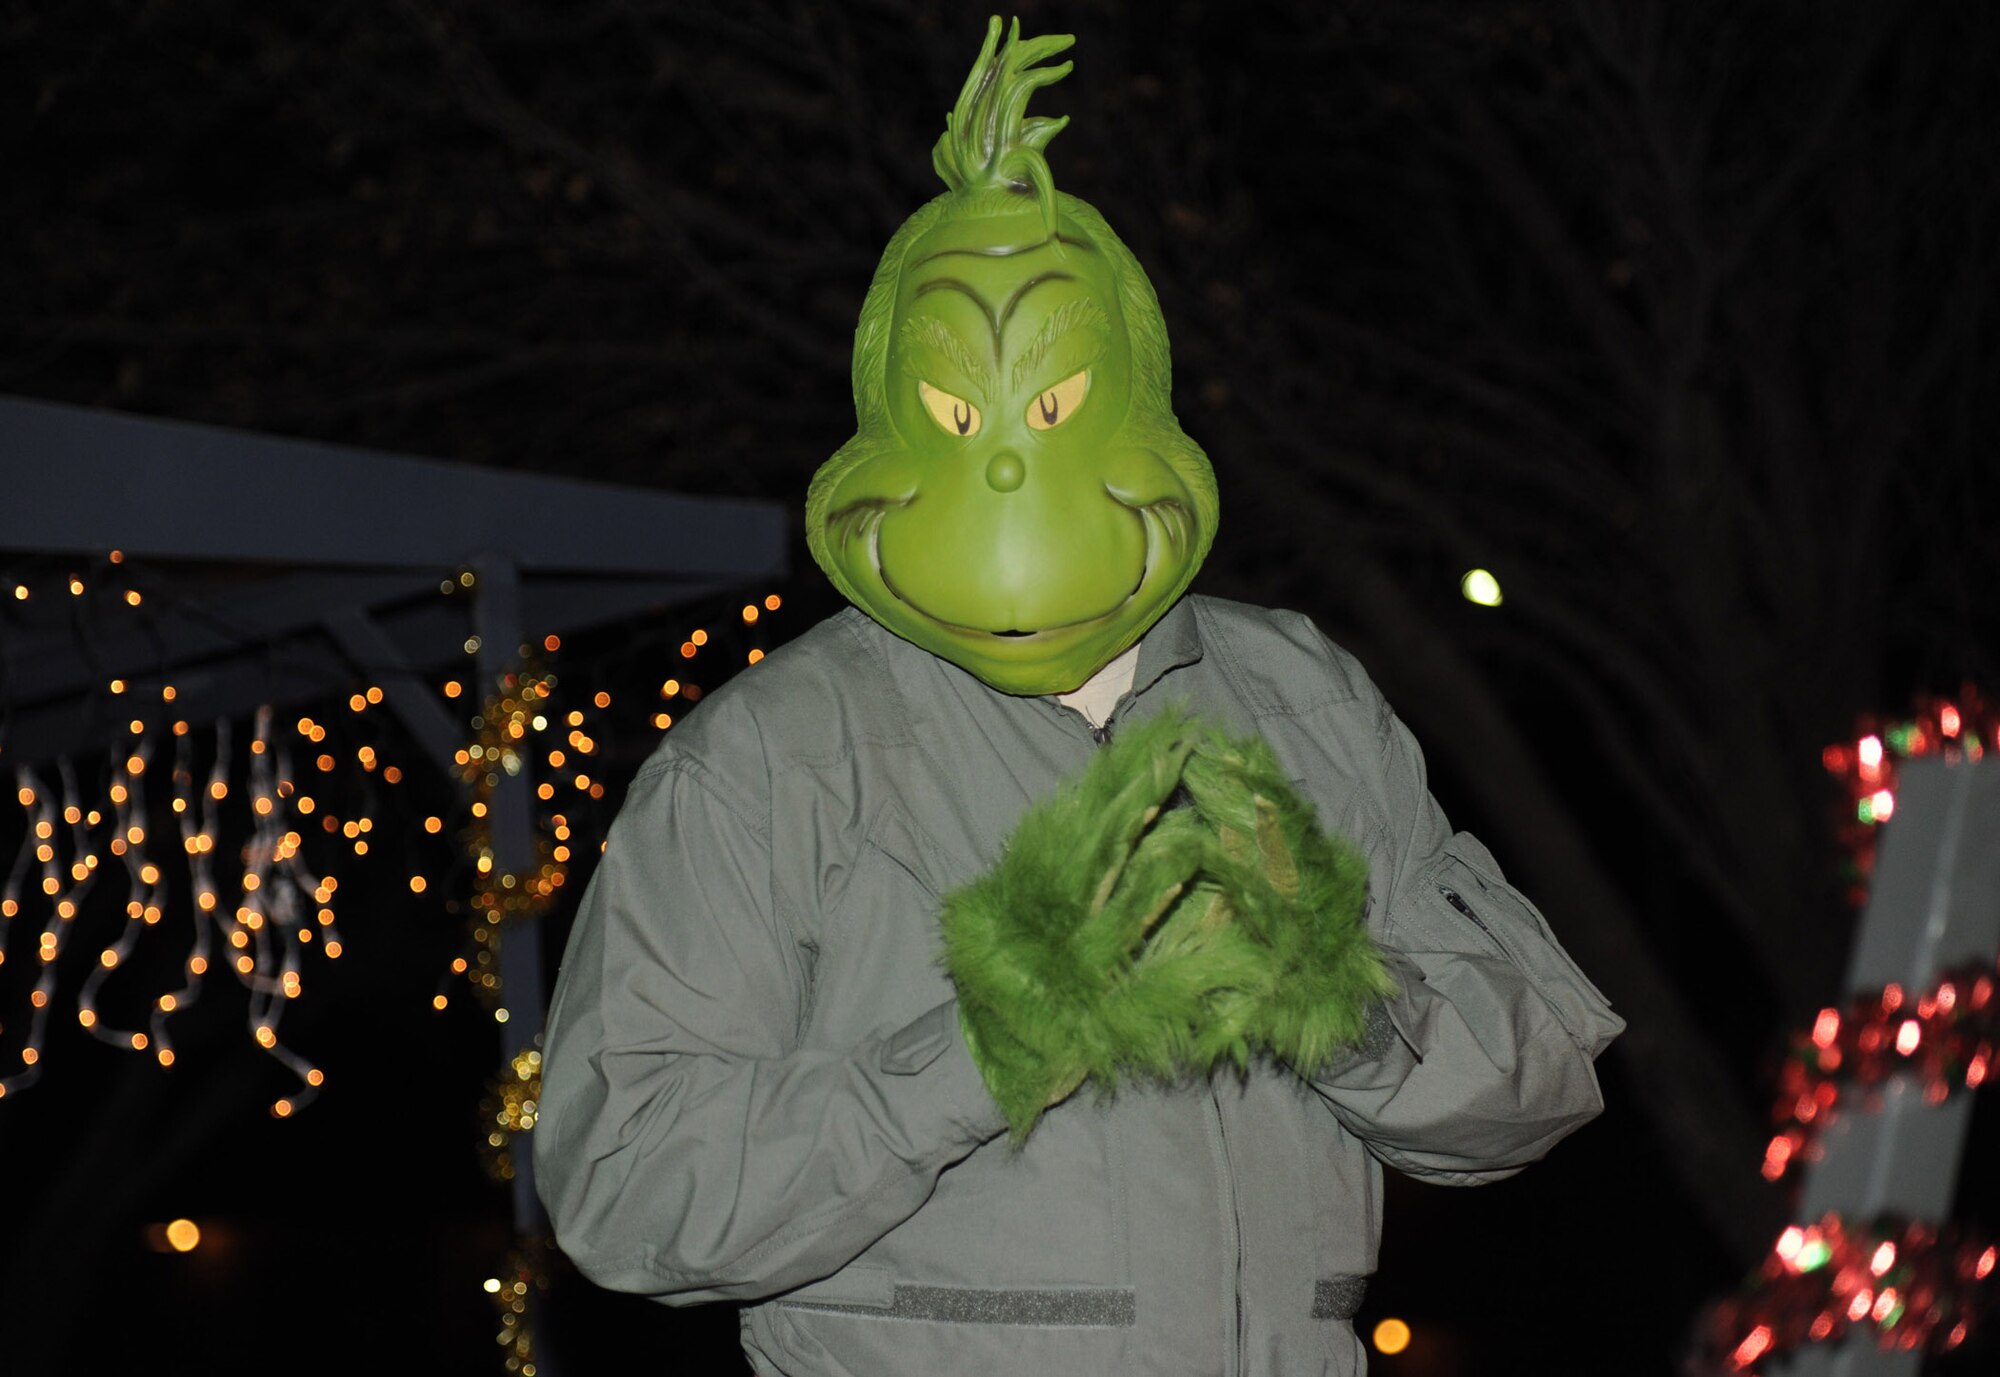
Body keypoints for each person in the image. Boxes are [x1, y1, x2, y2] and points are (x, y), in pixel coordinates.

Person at [534, 19, 1622, 1376]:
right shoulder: (769, 762)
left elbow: (1537, 1087)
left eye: (1051, 406)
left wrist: (1335, 991)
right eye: (952, 407)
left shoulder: (1297, 695)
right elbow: (627, 1193)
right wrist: (991, 1038)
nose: (1002, 462)